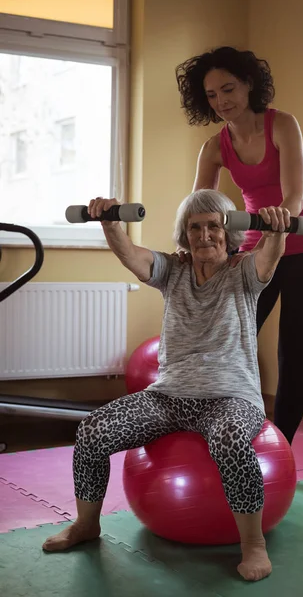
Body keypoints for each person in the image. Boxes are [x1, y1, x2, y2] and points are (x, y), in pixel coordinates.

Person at [42, 189, 288, 582]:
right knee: (92, 429)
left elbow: (268, 259)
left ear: (229, 232)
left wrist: (276, 231)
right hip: (168, 397)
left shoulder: (243, 272)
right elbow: (134, 258)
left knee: (229, 438)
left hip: (230, 398)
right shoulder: (173, 271)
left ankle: (252, 544)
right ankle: (86, 524)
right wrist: (110, 223)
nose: (205, 235)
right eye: (195, 227)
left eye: (214, 226)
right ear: (184, 234)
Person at [175, 46, 303, 445]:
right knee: (226, 344)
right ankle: (220, 433)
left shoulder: (282, 125)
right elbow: (200, 207)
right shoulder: (214, 147)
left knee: (292, 356)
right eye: (211, 95)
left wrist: (280, 220)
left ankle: (282, 449)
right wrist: (189, 243)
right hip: (254, 253)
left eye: (228, 89)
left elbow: (295, 196)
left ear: (249, 84)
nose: (221, 101)